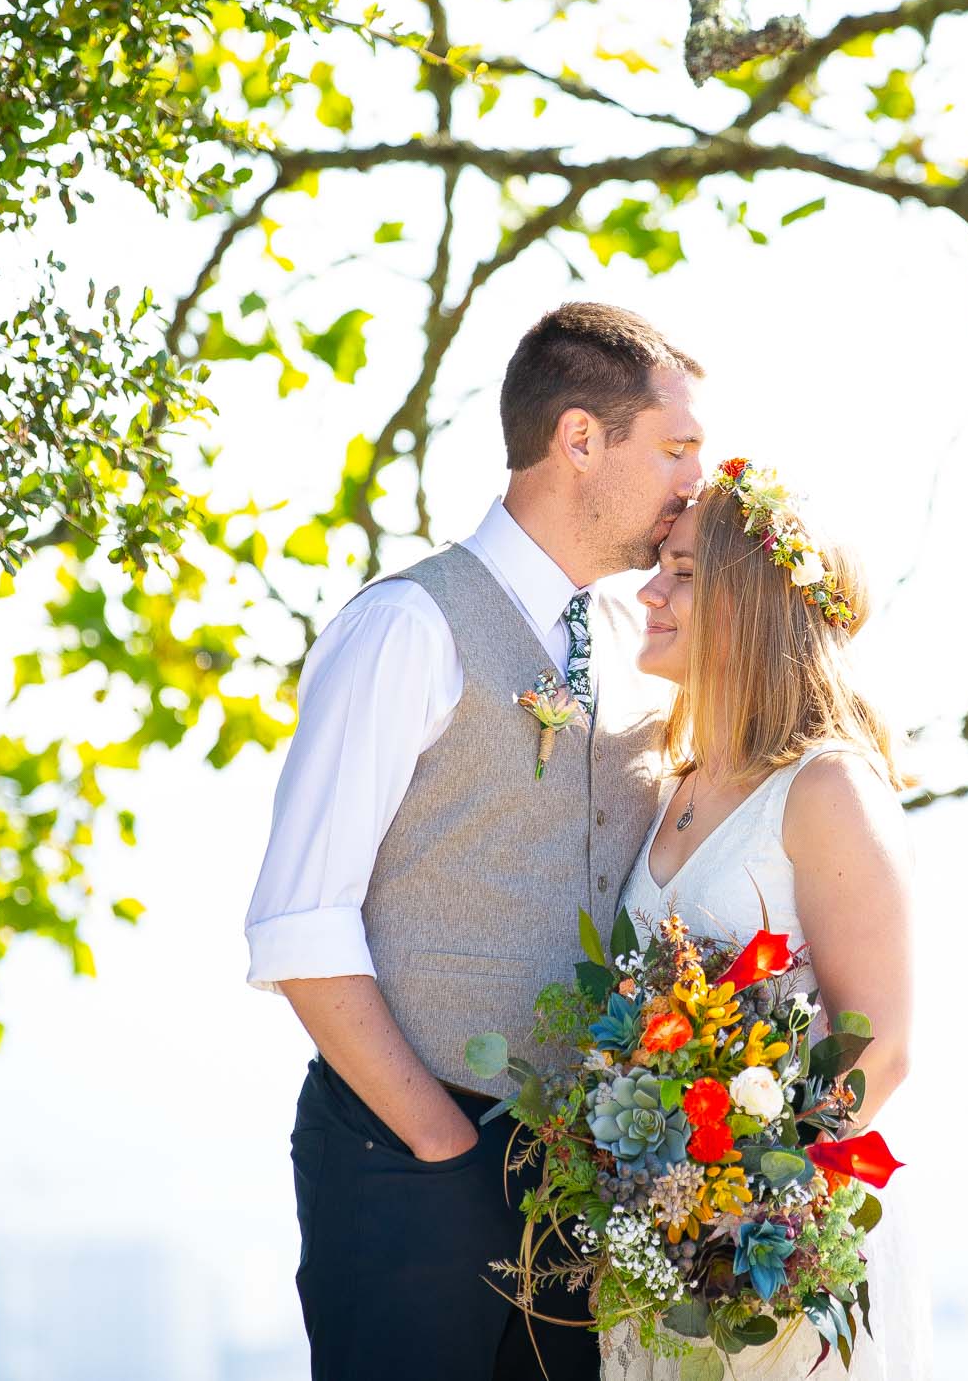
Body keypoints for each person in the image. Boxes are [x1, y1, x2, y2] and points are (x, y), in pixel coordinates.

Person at [244, 302, 706, 1381]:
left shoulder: (626, 650)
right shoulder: (408, 624)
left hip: (576, 1190)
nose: (695, 478)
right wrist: (446, 1149)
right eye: (676, 446)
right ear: (580, 439)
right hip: (415, 1168)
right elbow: (297, 922)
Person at [609, 457, 932, 1379]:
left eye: (678, 571)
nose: (649, 591)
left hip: (782, 1262)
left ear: (747, 601)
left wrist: (750, 1209)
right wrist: (665, 1208)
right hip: (667, 1245)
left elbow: (884, 1046)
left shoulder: (827, 787)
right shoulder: (673, 781)